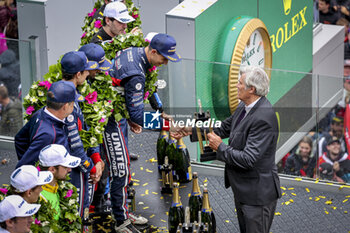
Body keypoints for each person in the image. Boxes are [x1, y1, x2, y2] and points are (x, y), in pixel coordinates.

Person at [171, 66, 281, 233]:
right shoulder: (244, 106)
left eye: (240, 83)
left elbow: (248, 159)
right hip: (244, 189)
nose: (236, 85)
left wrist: (220, 147)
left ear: (251, 89)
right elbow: (223, 128)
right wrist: (189, 130)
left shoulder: (263, 118)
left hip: (257, 195)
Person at [106, 33, 181, 232]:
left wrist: (157, 111)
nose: (165, 63)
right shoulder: (136, 73)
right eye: (164, 58)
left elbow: (136, 95)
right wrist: (166, 126)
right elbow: (138, 115)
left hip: (115, 114)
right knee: (120, 169)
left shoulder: (136, 51)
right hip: (108, 120)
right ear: (154, 51)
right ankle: (121, 221)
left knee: (121, 167)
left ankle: (122, 212)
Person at [60, 51, 104, 217]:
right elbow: (75, 143)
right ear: (78, 74)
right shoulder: (68, 98)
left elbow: (86, 130)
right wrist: (91, 167)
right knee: (77, 212)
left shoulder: (62, 91)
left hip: (73, 163)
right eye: (86, 72)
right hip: (73, 168)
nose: (88, 75)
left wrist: (96, 158)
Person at [15, 80, 80, 168]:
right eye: (73, 104)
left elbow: (20, 139)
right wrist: (43, 175)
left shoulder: (41, 113)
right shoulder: (48, 135)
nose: (74, 107)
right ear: (65, 106)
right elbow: (24, 167)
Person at [38, 144, 81, 220]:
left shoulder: (60, 188)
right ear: (52, 169)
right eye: (65, 167)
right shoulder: (39, 197)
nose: (69, 170)